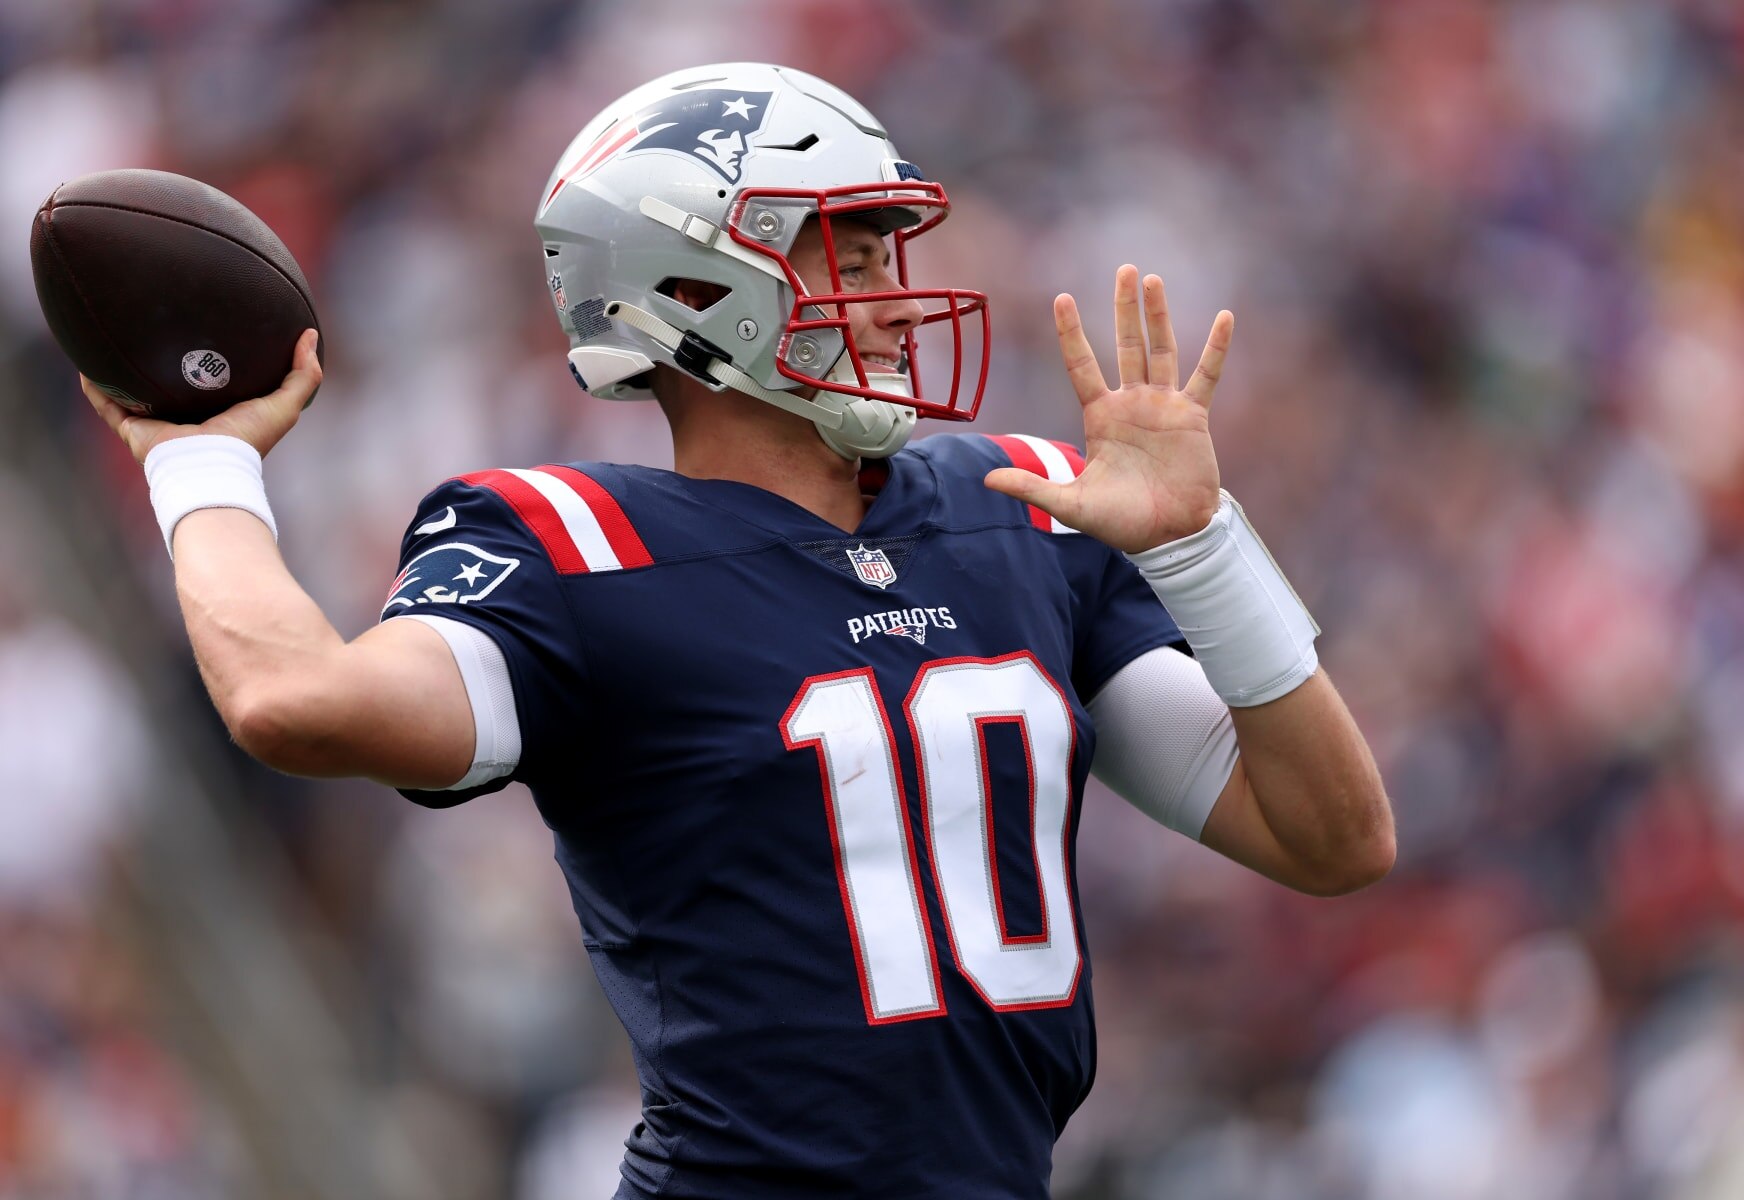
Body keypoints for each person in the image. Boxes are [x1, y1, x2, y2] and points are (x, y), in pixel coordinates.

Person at [84, 62, 1392, 1199]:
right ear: (694, 286)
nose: (895, 295)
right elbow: (292, 702)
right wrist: (201, 466)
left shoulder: (1019, 520)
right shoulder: (575, 549)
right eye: (853, 252)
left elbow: (1333, 837)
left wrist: (1203, 545)